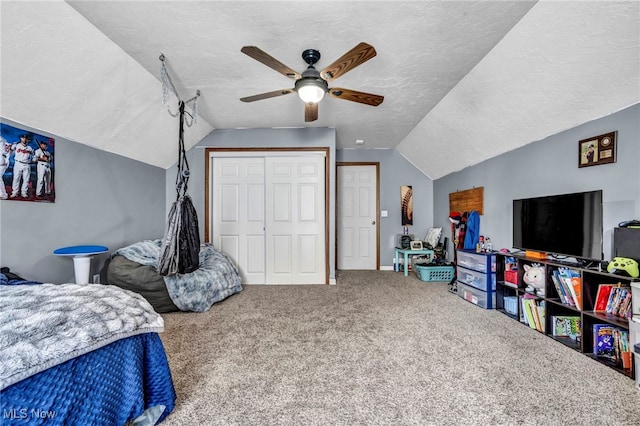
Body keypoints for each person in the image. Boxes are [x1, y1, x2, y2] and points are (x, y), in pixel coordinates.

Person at [9, 134, 34, 198]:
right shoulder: (17, 145)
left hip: (27, 164)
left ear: (27, 140)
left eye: (25, 138)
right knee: (16, 178)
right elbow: (10, 151)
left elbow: (33, 157)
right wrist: (11, 147)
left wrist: (33, 160)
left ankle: (24, 193)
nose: (24, 139)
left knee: (26, 179)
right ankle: (15, 192)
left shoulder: (30, 148)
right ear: (20, 138)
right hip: (18, 163)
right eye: (23, 138)